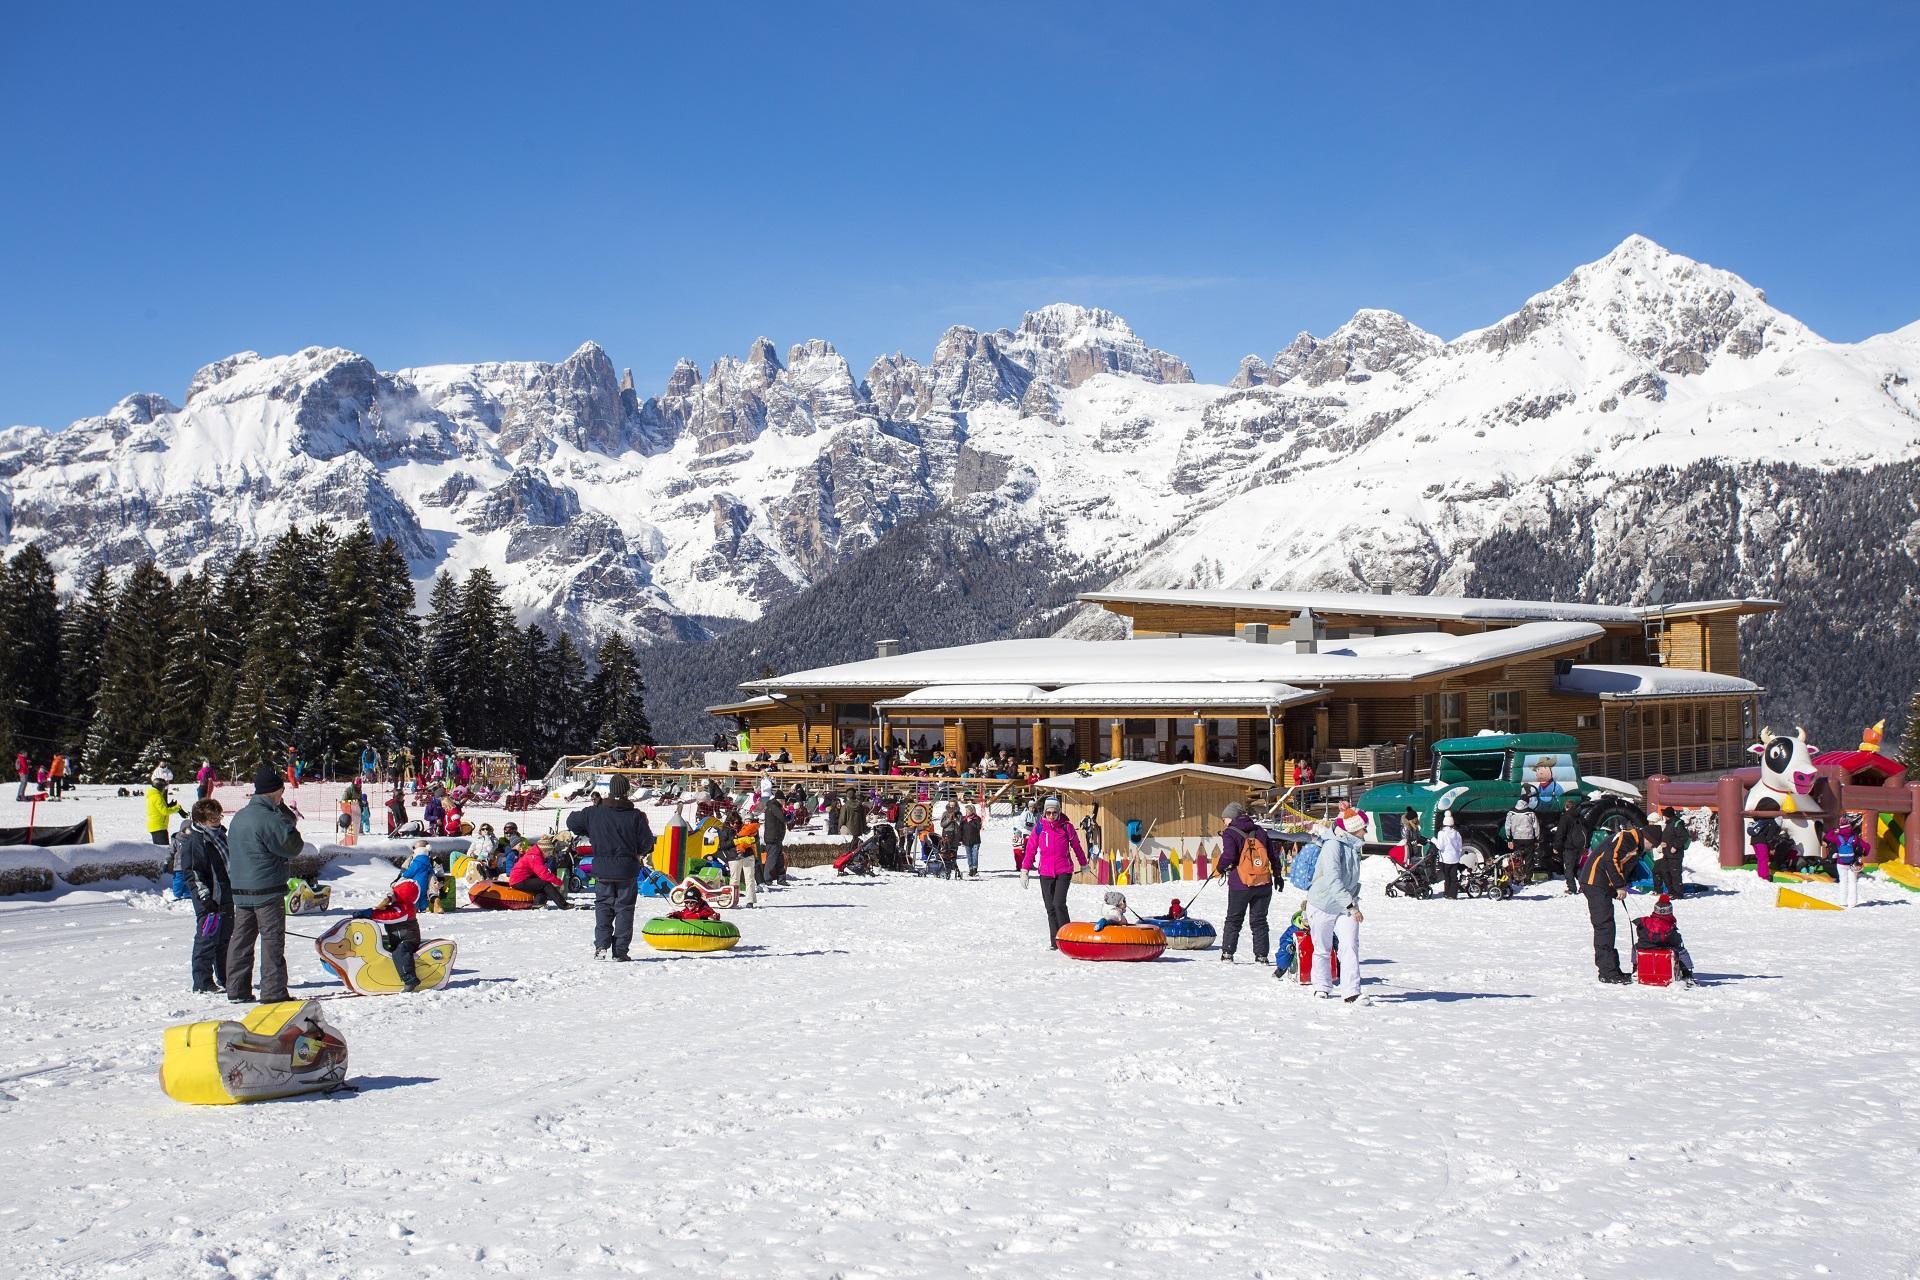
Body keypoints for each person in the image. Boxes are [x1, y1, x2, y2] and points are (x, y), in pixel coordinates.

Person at [224, 765, 303, 1004]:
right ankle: (273, 991)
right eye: (281, 792)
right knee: (272, 941)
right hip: (267, 890)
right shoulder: (270, 818)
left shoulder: (239, 816)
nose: (282, 797)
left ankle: (237, 990)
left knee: (241, 939)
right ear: (275, 792)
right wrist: (287, 817)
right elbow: (293, 846)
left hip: (240, 889)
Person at [567, 774, 655, 961]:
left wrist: (589, 828)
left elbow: (571, 822)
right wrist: (638, 852)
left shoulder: (594, 812)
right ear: (627, 791)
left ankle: (601, 945)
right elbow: (648, 842)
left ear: (610, 790)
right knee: (624, 908)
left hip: (602, 869)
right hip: (627, 869)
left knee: (603, 906)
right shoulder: (636, 816)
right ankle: (620, 951)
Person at [175, 798, 232, 993]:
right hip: (208, 898)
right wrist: (205, 897)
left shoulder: (220, 835)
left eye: (219, 816)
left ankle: (226, 977)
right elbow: (193, 873)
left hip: (225, 893)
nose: (217, 821)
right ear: (200, 820)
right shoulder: (194, 842)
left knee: (225, 939)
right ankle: (203, 981)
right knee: (207, 939)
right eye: (212, 818)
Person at [1306, 824, 1366, 1002]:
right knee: (1323, 949)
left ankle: (1352, 991)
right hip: (1322, 904)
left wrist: (1351, 903)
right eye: (1364, 827)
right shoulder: (1332, 845)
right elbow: (1333, 880)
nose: (1366, 831)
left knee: (1350, 946)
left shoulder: (1354, 846)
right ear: (1354, 828)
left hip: (1345, 906)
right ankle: (1321, 986)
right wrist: (1351, 906)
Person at [1020, 796, 1087, 948]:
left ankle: (1068, 938)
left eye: (1054, 813)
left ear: (1059, 812)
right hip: (1045, 872)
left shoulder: (1066, 827)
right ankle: (1055, 941)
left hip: (1064, 870)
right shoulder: (1040, 827)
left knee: (1059, 904)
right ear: (1044, 813)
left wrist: (1083, 864)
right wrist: (1025, 870)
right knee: (1050, 907)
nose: (1051, 816)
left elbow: (1076, 846)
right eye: (1048, 813)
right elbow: (1031, 849)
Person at [1582, 825, 1645, 985]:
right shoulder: (1626, 838)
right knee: (1604, 927)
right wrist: (1619, 885)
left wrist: (1616, 886)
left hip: (1600, 884)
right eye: (1653, 845)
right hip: (1594, 883)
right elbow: (1611, 860)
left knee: (1608, 926)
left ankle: (1611, 969)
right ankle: (1607, 972)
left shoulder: (1630, 842)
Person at [1217, 802, 1277, 964]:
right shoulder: (1260, 831)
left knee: (1234, 919)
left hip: (1240, 884)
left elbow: (1229, 855)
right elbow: (1272, 855)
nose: (1224, 822)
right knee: (1260, 920)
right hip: (1263, 882)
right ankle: (1262, 956)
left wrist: (1220, 868)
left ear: (1231, 817)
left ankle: (1228, 954)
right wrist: (1277, 875)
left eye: (1224, 819)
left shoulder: (1230, 832)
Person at [356, 879, 425, 991]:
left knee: (400, 952)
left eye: (395, 893)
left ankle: (410, 979)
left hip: (408, 940)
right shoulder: (397, 905)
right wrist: (368, 912)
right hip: (396, 939)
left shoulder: (406, 908)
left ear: (403, 894)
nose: (392, 895)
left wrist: (371, 914)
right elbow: (386, 910)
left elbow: (390, 916)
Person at [1631, 894, 1695, 984]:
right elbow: (1675, 941)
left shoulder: (1644, 921)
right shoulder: (1670, 927)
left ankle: (1636, 967)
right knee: (1682, 951)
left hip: (1644, 946)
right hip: (1663, 948)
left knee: (1635, 948)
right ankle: (1687, 973)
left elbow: (1639, 932)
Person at [507, 841, 569, 909]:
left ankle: (538, 904)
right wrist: (559, 882)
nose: (549, 855)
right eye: (549, 852)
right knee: (545, 883)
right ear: (544, 851)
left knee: (541, 883)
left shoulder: (534, 854)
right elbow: (544, 874)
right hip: (518, 881)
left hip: (520, 879)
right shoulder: (534, 857)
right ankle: (563, 904)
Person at [1829, 813, 1866, 909]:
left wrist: (1834, 831)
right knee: (1853, 882)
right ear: (1850, 826)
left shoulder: (1837, 837)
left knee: (1843, 881)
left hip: (1840, 863)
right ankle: (1853, 903)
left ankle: (1842, 901)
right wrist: (1865, 854)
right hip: (1852, 863)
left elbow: (1827, 837)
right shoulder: (1855, 837)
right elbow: (1867, 846)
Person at [1503, 798, 1541, 885]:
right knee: (1529, 859)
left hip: (1517, 838)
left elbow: (1507, 826)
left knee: (1517, 859)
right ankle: (1528, 879)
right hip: (1529, 838)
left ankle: (1517, 878)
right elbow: (1536, 827)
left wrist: (1509, 839)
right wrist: (1537, 839)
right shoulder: (1531, 812)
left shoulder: (1511, 812)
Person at [144, 766, 185, 846]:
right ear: (160, 787)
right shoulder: (157, 796)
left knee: (159, 849)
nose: (164, 789)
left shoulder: (153, 795)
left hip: (156, 826)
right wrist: (177, 808)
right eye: (164, 787)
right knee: (164, 850)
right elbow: (164, 811)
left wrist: (169, 805)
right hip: (158, 827)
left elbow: (159, 808)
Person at [1655, 807, 1690, 898]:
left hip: (1675, 855)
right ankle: (1671, 891)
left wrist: (1675, 846)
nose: (1664, 817)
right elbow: (1669, 836)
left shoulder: (1678, 823)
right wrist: (1662, 842)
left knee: (1675, 874)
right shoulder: (1669, 824)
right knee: (1665, 871)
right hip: (1667, 854)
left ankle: (1678, 893)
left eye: (1664, 815)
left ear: (1667, 815)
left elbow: (1683, 836)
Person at [1555, 807, 1588, 896]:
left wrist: (1556, 846)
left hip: (1569, 847)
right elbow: (1587, 830)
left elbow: (1560, 833)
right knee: (1577, 867)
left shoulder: (1565, 817)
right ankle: (1585, 886)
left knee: (1568, 868)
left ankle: (1572, 888)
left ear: (1566, 807)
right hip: (1580, 847)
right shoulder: (1581, 817)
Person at [760, 790, 789, 885]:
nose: (785, 803)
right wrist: (789, 817)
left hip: (777, 837)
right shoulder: (774, 807)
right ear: (780, 800)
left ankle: (781, 879)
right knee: (771, 860)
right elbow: (783, 818)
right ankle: (767, 879)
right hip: (773, 837)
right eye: (784, 801)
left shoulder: (775, 806)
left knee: (780, 859)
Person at [1434, 811, 1465, 899]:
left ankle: (1447, 893)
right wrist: (1458, 855)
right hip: (1454, 858)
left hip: (1445, 858)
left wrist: (1433, 840)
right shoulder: (1457, 833)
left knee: (1447, 877)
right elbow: (1460, 846)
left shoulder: (1441, 833)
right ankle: (1453, 894)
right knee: (1454, 877)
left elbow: (1440, 846)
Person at [1015, 797, 1044, 881]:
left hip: (1034, 833)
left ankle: (1031, 862)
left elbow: (1040, 822)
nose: (1032, 808)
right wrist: (1028, 824)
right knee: (1027, 848)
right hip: (1026, 832)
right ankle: (1025, 863)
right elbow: (1022, 822)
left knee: (1033, 849)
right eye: (1031, 807)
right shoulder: (1026, 813)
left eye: (1034, 807)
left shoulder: (1037, 814)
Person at [960, 803, 983, 878]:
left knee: (975, 855)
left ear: (972, 811)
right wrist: (960, 839)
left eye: (969, 810)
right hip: (966, 840)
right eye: (966, 810)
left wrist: (971, 822)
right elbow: (961, 829)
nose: (967, 812)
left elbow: (978, 827)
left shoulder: (977, 818)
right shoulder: (963, 819)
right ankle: (970, 869)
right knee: (969, 855)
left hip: (975, 840)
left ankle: (975, 869)